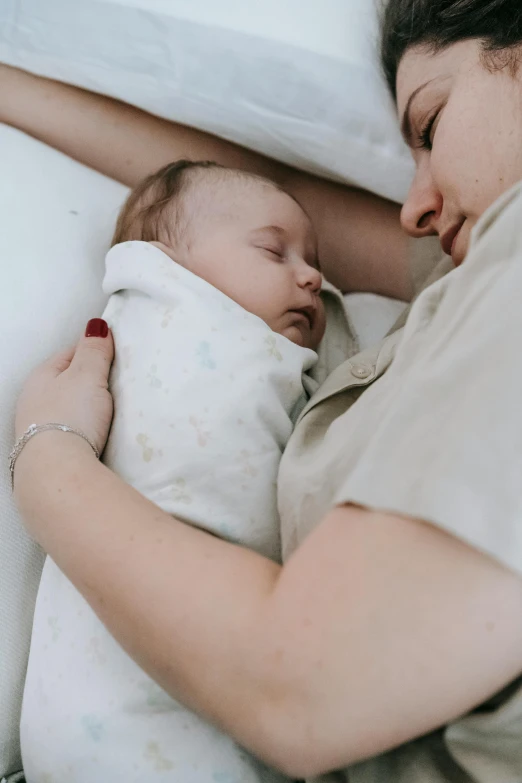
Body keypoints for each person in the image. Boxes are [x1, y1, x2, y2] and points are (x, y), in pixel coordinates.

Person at [5, 0, 522, 777]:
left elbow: (303, 688)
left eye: (430, 126)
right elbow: (261, 192)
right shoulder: (476, 271)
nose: (413, 207)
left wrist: (48, 461)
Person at [21, 159, 327, 783]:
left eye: (311, 259)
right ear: (161, 263)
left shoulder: (280, 364)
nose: (314, 276)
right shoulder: (161, 322)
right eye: (274, 251)